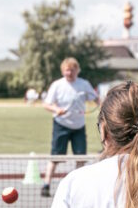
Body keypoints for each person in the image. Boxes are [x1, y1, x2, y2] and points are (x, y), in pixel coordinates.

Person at [41, 57, 99, 197]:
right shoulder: (57, 85)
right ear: (63, 71)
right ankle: (46, 185)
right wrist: (56, 109)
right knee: (55, 156)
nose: (69, 73)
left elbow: (96, 99)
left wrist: (102, 105)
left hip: (79, 126)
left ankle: (78, 186)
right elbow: (46, 104)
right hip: (61, 125)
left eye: (72, 70)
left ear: (77, 70)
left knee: (80, 157)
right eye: (67, 70)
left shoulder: (84, 84)